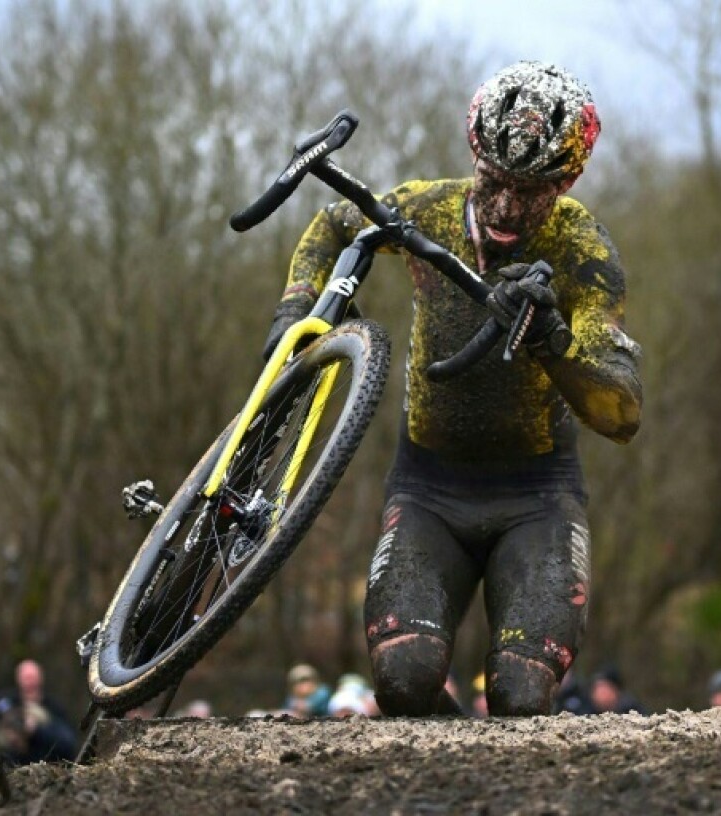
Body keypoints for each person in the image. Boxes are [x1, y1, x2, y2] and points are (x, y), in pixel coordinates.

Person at [263, 61, 642, 717]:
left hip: (537, 497)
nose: (503, 207)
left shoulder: (582, 246)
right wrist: (296, 312)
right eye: (493, 182)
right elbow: (332, 223)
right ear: (475, 158)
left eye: (530, 192)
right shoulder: (429, 209)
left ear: (567, 183)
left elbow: (621, 411)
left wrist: (554, 340)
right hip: (428, 490)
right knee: (404, 683)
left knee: (521, 695)